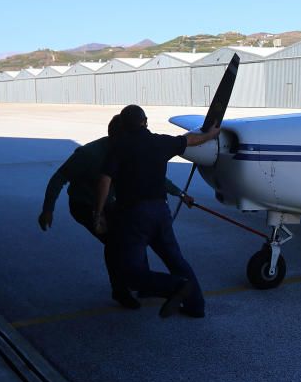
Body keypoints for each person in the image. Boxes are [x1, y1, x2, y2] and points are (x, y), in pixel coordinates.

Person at [38, 115, 195, 310]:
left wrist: (180, 193)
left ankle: (144, 283)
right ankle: (121, 291)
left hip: (111, 204)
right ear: (117, 136)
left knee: (132, 237)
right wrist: (48, 210)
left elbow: (152, 177)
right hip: (84, 205)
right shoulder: (89, 154)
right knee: (115, 243)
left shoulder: (129, 150)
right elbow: (58, 178)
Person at [94, 105, 219, 318]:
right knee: (175, 259)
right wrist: (210, 135)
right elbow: (188, 140)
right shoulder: (161, 142)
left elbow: (105, 180)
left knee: (131, 273)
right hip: (161, 212)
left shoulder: (118, 146)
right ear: (145, 121)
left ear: (123, 124)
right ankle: (196, 305)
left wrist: (98, 213)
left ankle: (175, 286)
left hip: (134, 216)